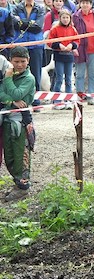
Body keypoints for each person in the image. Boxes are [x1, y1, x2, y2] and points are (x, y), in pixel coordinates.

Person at [0, 46, 35, 201]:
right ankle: (16, 183)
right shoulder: (10, 74)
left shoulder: (29, 78)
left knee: (22, 154)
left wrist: (8, 81)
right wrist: (12, 101)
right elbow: (2, 94)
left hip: (21, 120)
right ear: (11, 61)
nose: (19, 65)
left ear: (28, 61)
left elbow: (18, 93)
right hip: (7, 119)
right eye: (16, 61)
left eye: (22, 61)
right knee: (9, 156)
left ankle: (23, 187)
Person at [12, 0, 45, 110]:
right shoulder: (16, 8)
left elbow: (38, 27)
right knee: (18, 73)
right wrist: (30, 23)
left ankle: (36, 99)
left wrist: (23, 23)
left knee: (36, 73)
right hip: (20, 45)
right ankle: (19, 100)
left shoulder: (40, 8)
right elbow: (15, 24)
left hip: (36, 45)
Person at [72, 0, 94, 105]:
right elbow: (72, 32)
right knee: (80, 75)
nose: (85, 5)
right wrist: (74, 47)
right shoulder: (75, 17)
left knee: (93, 74)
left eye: (87, 3)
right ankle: (80, 96)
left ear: (91, 4)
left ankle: (91, 96)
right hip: (81, 50)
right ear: (80, 4)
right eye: (83, 3)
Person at [48, 9, 80, 103]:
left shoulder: (72, 29)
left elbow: (77, 40)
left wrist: (72, 45)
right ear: (60, 18)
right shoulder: (55, 29)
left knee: (68, 79)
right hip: (59, 56)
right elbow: (50, 41)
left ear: (70, 19)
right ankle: (56, 100)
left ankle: (68, 99)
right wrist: (59, 45)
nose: (65, 20)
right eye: (63, 18)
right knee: (59, 78)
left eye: (67, 18)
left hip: (69, 56)